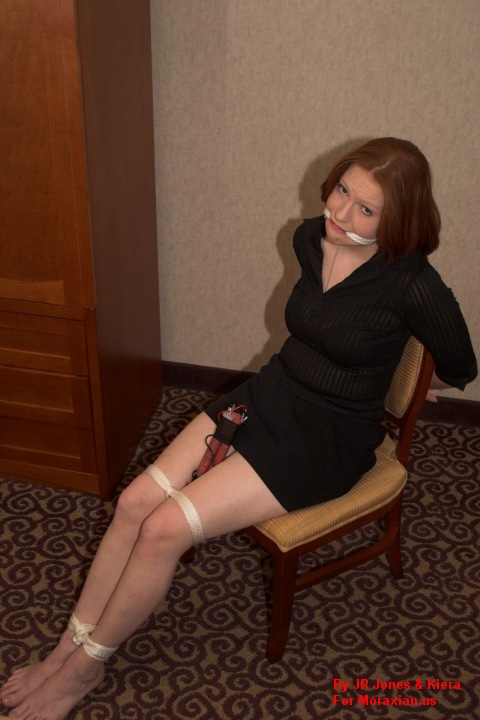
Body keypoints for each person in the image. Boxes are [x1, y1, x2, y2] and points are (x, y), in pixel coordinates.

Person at [1, 137, 477, 720]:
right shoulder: (310, 238)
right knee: (133, 504)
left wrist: (404, 383)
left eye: (365, 209)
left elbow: (460, 368)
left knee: (162, 530)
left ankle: (83, 670)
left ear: (398, 220)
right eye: (341, 190)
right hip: (269, 396)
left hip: (325, 439)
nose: (340, 212)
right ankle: (62, 652)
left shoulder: (414, 283)